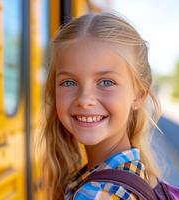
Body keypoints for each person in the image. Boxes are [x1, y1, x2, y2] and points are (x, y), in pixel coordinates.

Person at [41, 11, 164, 199]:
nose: (84, 99)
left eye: (106, 82)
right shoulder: (130, 173)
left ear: (138, 95)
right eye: (69, 82)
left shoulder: (99, 193)